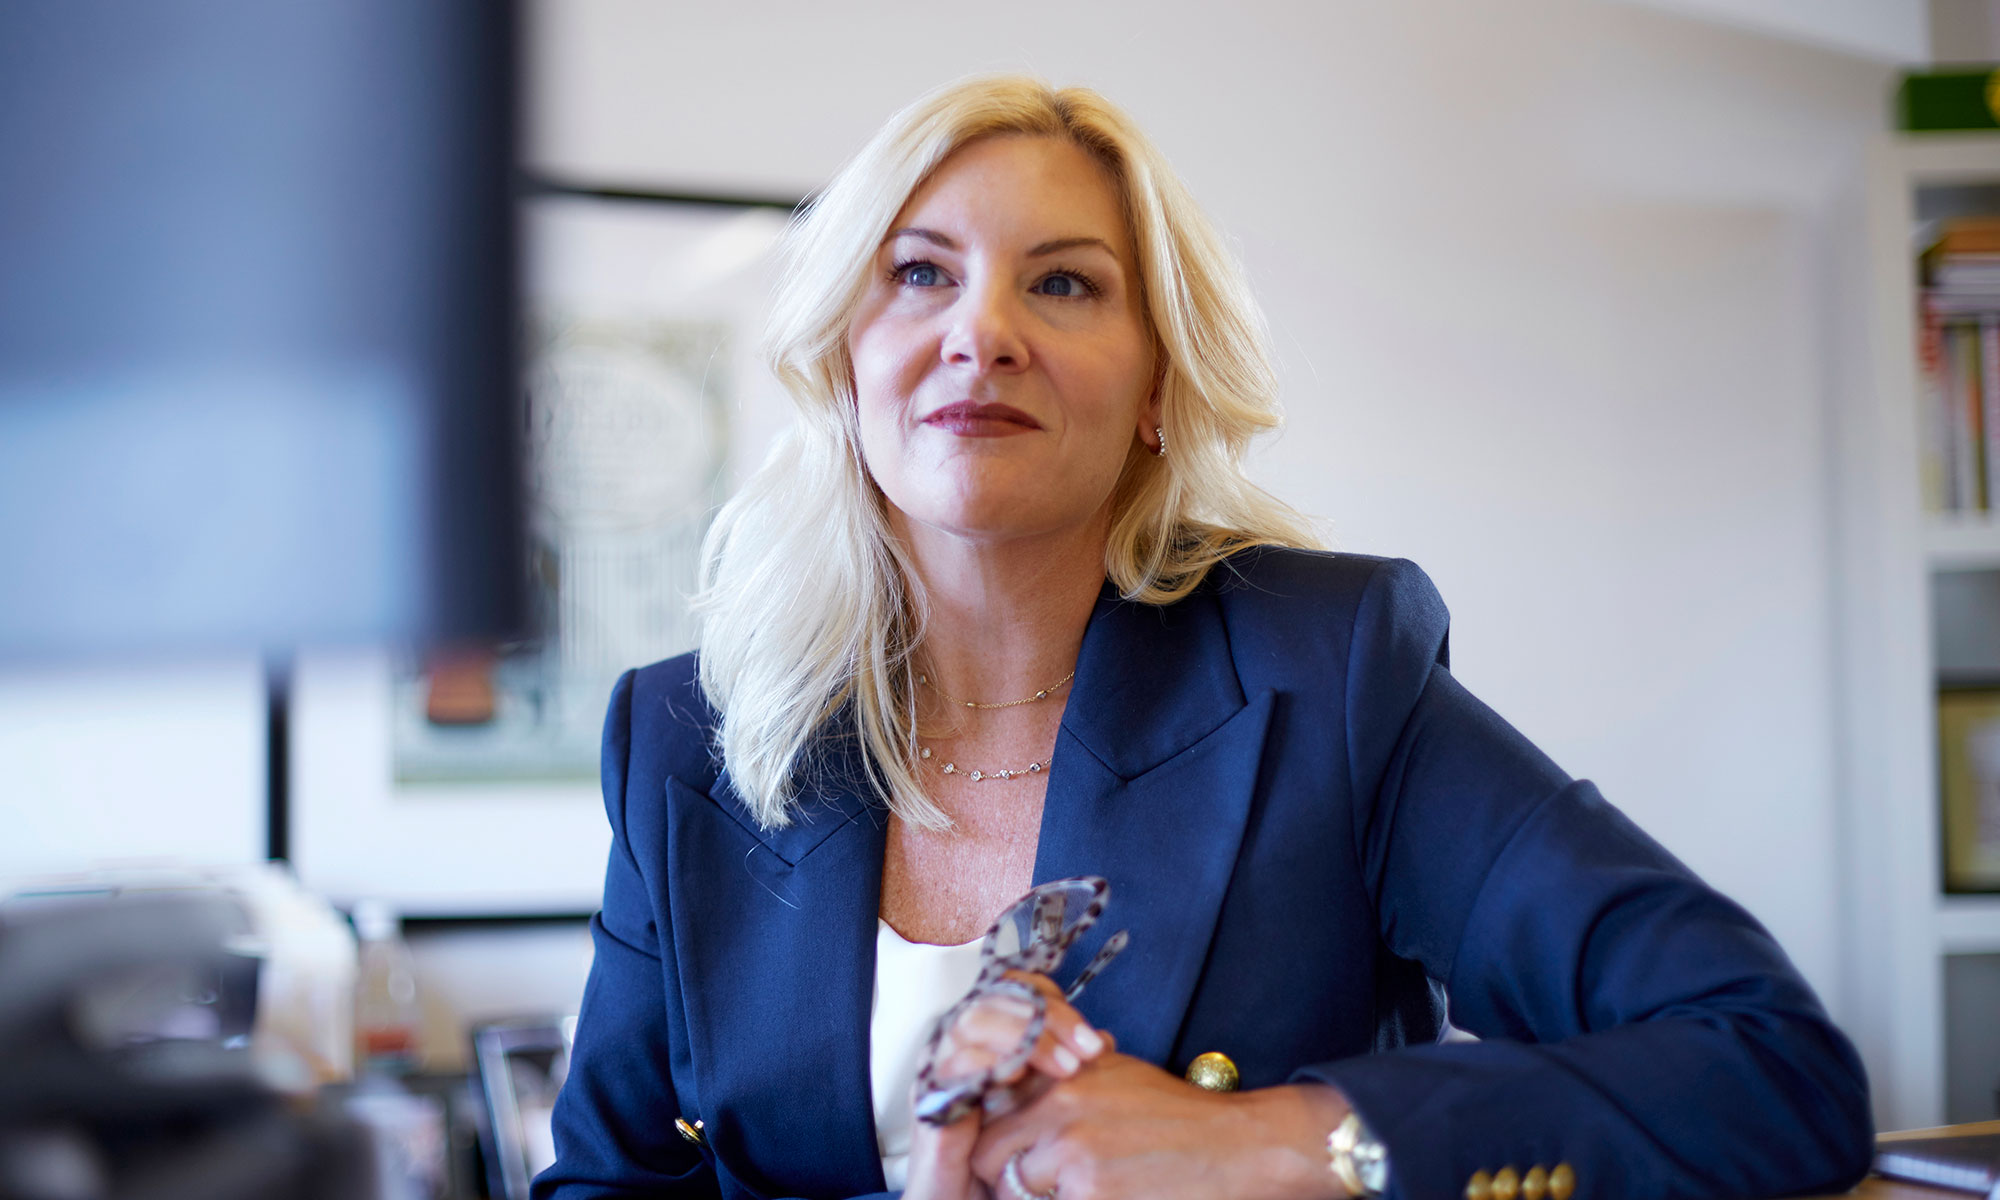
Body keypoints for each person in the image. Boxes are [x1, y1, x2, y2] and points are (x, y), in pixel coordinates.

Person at [533, 75, 1873, 1200]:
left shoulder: (1333, 670)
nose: (981, 332)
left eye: (1062, 284)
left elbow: (1766, 1066)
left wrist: (1274, 1142)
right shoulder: (684, 742)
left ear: (1161, 389)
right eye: (919, 273)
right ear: (842, 360)